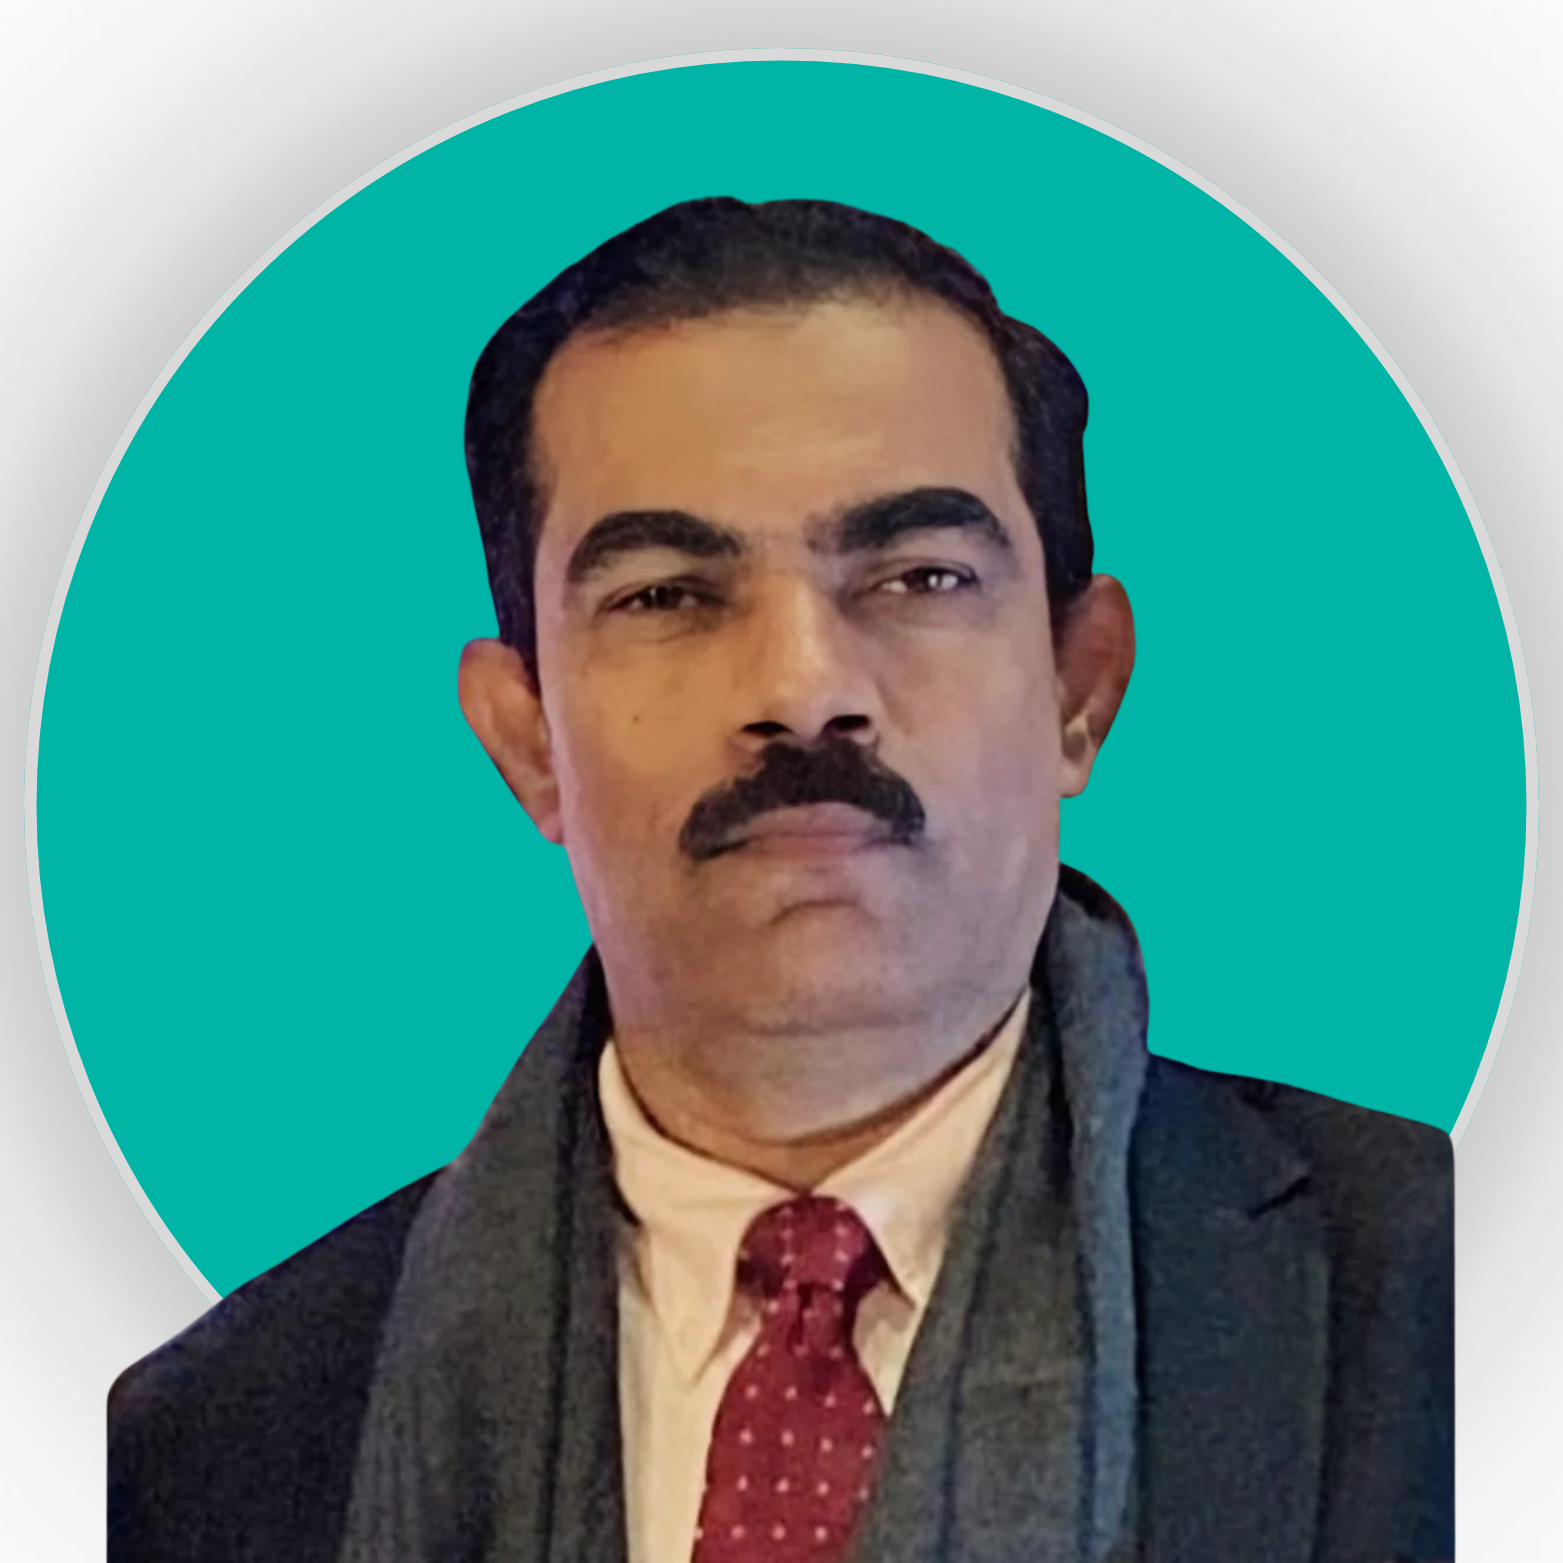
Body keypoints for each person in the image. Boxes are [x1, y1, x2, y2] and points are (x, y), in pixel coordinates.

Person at [105, 198, 1454, 1563]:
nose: (803, 688)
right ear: (526, 741)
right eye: (667, 595)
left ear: (1078, 690)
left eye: (917, 576)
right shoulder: (211, 1447)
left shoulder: (1419, 1293)